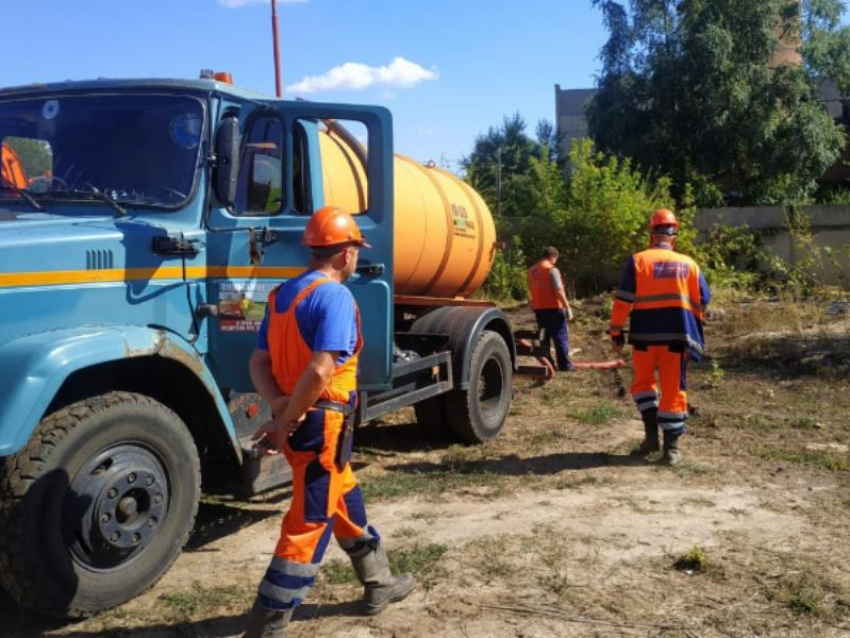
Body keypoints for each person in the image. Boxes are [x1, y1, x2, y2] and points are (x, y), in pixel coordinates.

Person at [245, 206, 414, 637]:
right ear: (344, 255)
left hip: (304, 426)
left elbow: (259, 362)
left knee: (344, 499)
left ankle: (379, 583)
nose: (356, 257)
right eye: (356, 249)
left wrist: (280, 407)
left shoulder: (282, 296)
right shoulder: (335, 296)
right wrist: (288, 417)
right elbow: (321, 370)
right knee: (309, 521)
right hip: (323, 425)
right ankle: (268, 622)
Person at [609, 209, 711, 465]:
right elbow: (704, 299)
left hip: (643, 337)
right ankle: (672, 449)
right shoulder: (689, 264)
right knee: (673, 389)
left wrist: (615, 331)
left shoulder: (637, 261)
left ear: (651, 234)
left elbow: (622, 301)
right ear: (674, 235)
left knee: (644, 385)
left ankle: (650, 438)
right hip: (677, 338)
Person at [528, 246, 574, 371]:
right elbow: (558, 289)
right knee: (560, 338)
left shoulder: (532, 270)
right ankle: (565, 366)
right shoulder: (551, 270)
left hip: (539, 310)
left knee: (544, 339)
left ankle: (548, 365)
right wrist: (567, 306)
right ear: (553, 256)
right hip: (554, 309)